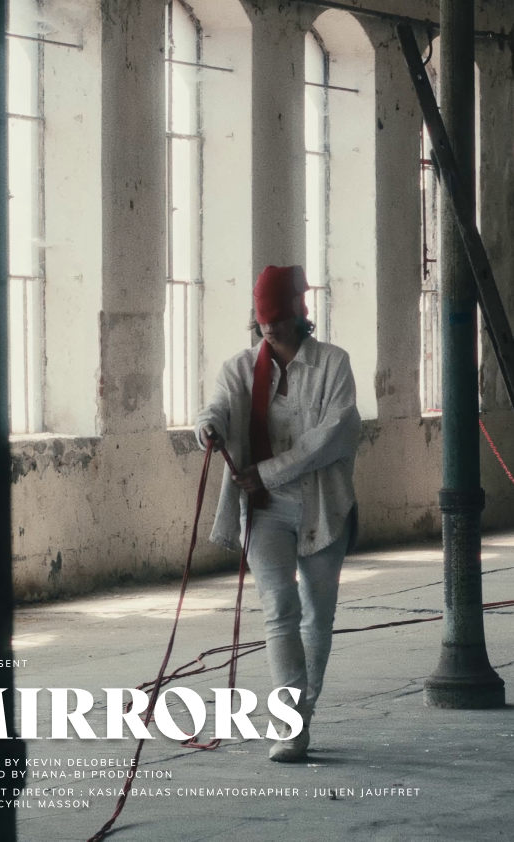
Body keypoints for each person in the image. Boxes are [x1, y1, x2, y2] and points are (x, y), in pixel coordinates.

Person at [195, 264, 360, 762]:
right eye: (264, 323)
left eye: (280, 320)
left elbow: (331, 438)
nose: (272, 330)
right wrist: (207, 426)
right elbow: (220, 406)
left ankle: (301, 713)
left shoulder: (334, 364)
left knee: (318, 614)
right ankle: (290, 726)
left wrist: (267, 471)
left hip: (323, 506)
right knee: (279, 611)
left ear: (299, 313)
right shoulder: (240, 368)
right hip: (263, 510)